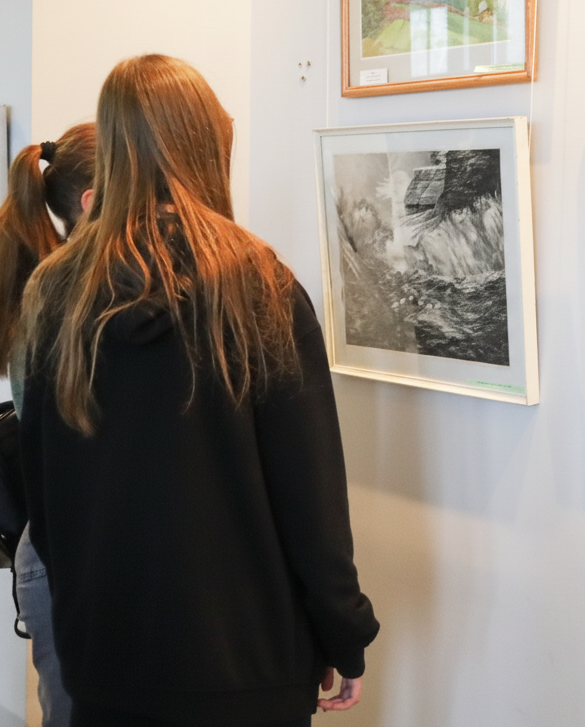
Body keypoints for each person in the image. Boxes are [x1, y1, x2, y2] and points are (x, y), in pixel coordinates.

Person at [19, 54, 379, 727]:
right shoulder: (259, 285)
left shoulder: (57, 292)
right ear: (206, 142)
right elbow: (311, 497)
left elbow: (44, 497)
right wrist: (344, 631)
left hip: (106, 663)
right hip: (246, 668)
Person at [0, 123, 97, 727]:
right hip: (65, 550)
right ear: (91, 202)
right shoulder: (65, 304)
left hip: (54, 546)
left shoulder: (53, 292)